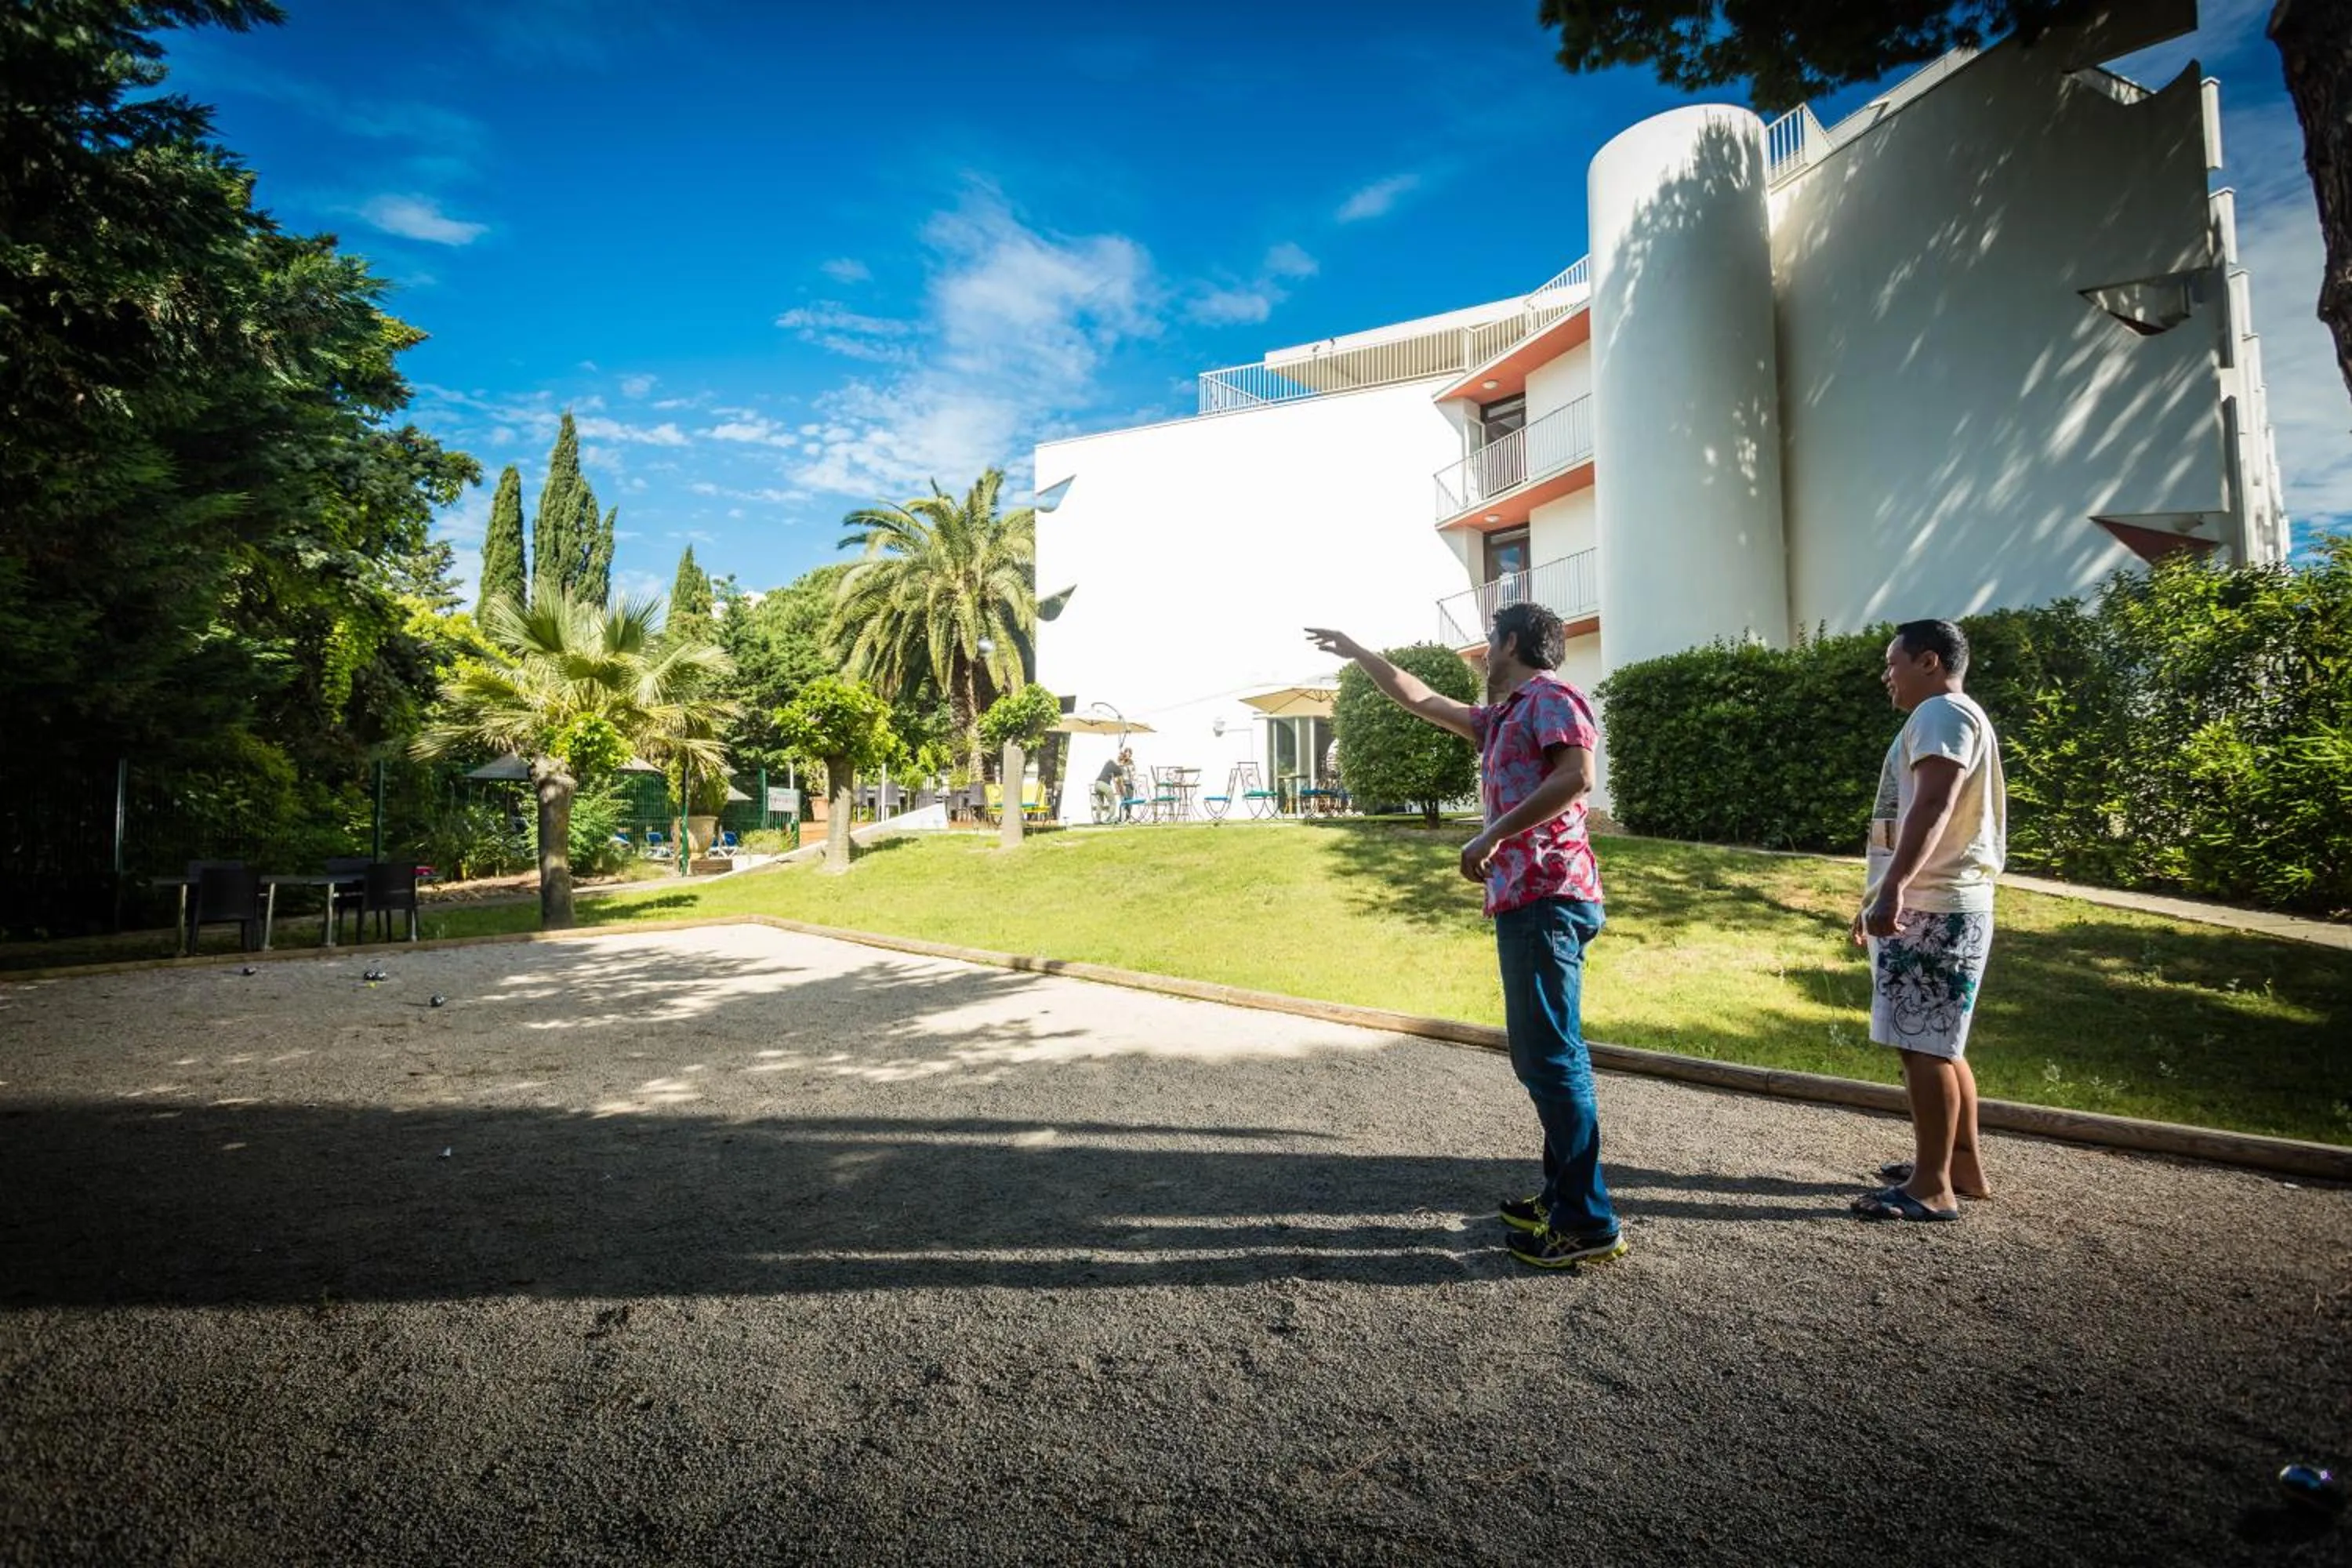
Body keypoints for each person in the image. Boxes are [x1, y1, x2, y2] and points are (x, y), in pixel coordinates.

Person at [1306, 604, 1625, 1268]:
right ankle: (1562, 1195)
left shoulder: (1553, 697)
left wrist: (1492, 833)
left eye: (1489, 642)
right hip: (1528, 900)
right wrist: (1360, 651)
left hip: (1549, 894)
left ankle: (1587, 1223)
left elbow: (1577, 777)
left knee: (1552, 1058)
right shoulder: (1502, 717)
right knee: (1543, 1057)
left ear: (1511, 641)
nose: (1482, 655)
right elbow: (1417, 695)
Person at [1851, 619, 2008, 1223]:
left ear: (1929, 661)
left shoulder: (1942, 714)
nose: (1886, 674)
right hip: (1938, 899)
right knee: (1939, 1043)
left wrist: (1894, 890)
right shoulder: (1949, 715)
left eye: (1894, 662)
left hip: (1934, 904)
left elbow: (1935, 805)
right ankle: (1959, 1167)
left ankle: (1931, 1187)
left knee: (1921, 1045)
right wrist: (1879, 891)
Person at [1092, 748, 1134, 823]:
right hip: (1105, 785)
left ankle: (1097, 820)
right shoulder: (1118, 769)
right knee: (1113, 802)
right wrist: (1121, 793)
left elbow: (1114, 779)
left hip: (1097, 784)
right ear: (1123, 761)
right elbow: (1119, 783)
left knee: (1100, 802)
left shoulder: (1110, 762)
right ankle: (1110, 819)